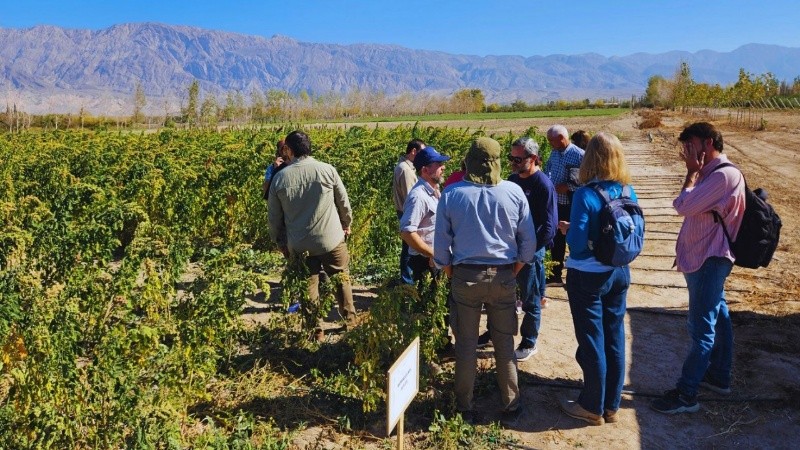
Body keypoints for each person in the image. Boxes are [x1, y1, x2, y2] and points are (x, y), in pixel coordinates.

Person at [434, 137, 536, 427]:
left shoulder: (452, 194)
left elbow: (440, 248)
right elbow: (528, 243)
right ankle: (511, 405)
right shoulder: (514, 192)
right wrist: (514, 270)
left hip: (465, 275)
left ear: (469, 161)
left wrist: (452, 272)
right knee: (504, 344)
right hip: (504, 276)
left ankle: (464, 407)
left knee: (466, 345)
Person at [651, 122, 745, 414]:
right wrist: (695, 173)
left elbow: (682, 205)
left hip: (708, 260)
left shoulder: (722, 177)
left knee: (701, 328)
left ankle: (686, 394)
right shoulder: (712, 174)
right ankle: (718, 376)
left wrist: (691, 173)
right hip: (705, 258)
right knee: (719, 316)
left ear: (708, 143)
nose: (686, 151)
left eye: (690, 145)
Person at [557, 132, 636, 426]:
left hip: (588, 275)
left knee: (592, 339)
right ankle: (611, 405)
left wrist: (569, 231)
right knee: (614, 336)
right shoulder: (628, 191)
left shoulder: (585, 194)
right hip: (619, 271)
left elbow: (577, 244)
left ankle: (592, 406)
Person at [268, 131, 357, 341]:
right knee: (341, 280)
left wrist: (279, 242)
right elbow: (343, 203)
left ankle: (315, 331)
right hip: (331, 239)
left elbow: (274, 218)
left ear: (289, 150)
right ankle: (350, 323)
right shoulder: (327, 170)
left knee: (308, 286)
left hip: (300, 244)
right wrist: (346, 224)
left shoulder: (279, 178)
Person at [507, 137, 558, 361]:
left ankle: (529, 342)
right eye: (511, 158)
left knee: (531, 299)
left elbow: (549, 227)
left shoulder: (543, 185)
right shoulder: (511, 181)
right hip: (510, 249)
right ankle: (496, 334)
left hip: (530, 253)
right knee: (503, 296)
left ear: (533, 158)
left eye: (518, 159)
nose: (513, 163)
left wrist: (529, 251)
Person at [400, 146, 450, 288]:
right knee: (427, 300)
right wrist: (432, 254)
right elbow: (407, 233)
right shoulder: (418, 197)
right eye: (438, 164)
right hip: (424, 262)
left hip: (434, 260)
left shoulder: (434, 191)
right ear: (425, 170)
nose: (443, 167)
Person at [544, 125, 585, 287]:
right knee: (557, 240)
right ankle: (555, 275)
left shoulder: (579, 155)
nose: (549, 144)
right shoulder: (554, 153)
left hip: (573, 205)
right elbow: (548, 170)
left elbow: (585, 181)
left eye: (551, 140)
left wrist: (568, 187)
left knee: (574, 239)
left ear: (561, 138)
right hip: (557, 203)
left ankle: (576, 276)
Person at [393, 139, 426, 285]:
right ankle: (407, 282)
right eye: (421, 152)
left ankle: (407, 280)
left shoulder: (406, 167)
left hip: (404, 211)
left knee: (408, 246)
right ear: (413, 151)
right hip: (407, 212)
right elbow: (410, 197)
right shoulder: (405, 170)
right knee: (409, 246)